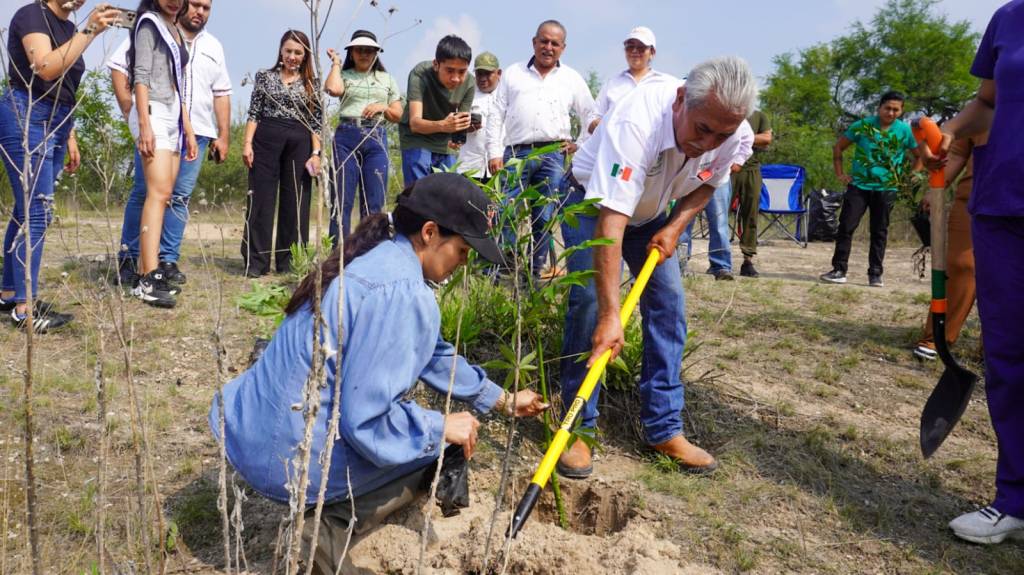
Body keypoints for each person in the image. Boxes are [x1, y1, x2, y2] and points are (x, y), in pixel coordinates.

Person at [209, 173, 548, 573]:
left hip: (251, 428)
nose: (464, 262)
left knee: (432, 435)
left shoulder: (379, 258)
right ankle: (323, 528)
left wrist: (503, 400)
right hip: (289, 462)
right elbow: (367, 420)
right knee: (435, 448)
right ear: (429, 232)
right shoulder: (402, 292)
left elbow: (433, 353)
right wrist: (439, 427)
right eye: (462, 250)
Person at [557, 57, 756, 478]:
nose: (709, 142)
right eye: (702, 130)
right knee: (590, 302)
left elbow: (709, 184)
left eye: (721, 134)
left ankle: (663, 427)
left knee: (669, 305)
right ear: (681, 100)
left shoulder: (730, 130)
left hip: (651, 214)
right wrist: (613, 317)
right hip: (591, 206)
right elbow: (611, 222)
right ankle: (578, 427)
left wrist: (676, 227)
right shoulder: (637, 121)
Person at [929, 0, 1024, 545]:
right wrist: (948, 133)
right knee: (1009, 358)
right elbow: (988, 101)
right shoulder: (1010, 18)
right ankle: (1015, 498)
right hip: (1003, 206)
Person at [0, 1, 119, 331]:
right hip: (26, 113)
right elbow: (46, 68)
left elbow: (65, 86)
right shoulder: (30, 15)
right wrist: (91, 29)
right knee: (37, 211)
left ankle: (9, 291)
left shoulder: (69, 28)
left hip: (59, 120)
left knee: (28, 211)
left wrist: (70, 136)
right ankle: (25, 308)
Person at [109, 0, 231, 288]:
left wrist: (211, 132)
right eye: (196, 5)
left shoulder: (207, 43)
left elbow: (212, 90)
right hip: (155, 118)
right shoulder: (152, 25)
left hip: (187, 125)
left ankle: (162, 263)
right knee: (149, 192)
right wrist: (136, 115)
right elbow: (126, 69)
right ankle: (134, 261)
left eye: (206, 7)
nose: (199, 11)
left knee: (175, 197)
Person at [486, 20, 597, 278]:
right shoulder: (513, 73)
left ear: (563, 48)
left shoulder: (571, 78)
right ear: (534, 42)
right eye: (543, 41)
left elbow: (590, 114)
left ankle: (535, 273)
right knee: (506, 212)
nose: (548, 47)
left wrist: (579, 145)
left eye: (554, 43)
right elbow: (495, 114)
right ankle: (506, 270)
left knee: (544, 216)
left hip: (553, 156)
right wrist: (493, 152)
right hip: (514, 154)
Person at [126, 0, 200, 308]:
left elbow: (178, 82)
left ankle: (147, 270)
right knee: (156, 193)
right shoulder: (148, 23)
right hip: (152, 110)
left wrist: (188, 127)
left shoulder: (176, 30)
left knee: (165, 193)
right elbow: (140, 75)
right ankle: (148, 276)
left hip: (173, 114)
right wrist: (144, 123)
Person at [241, 29, 323, 277]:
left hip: (300, 143)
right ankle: (256, 262)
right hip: (265, 140)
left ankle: (289, 262)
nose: (292, 56)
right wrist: (247, 143)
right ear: (281, 51)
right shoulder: (264, 77)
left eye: (298, 52)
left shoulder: (312, 84)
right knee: (261, 200)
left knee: (295, 202)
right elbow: (254, 112)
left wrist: (316, 153)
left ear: (305, 55)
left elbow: (316, 122)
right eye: (288, 51)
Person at [820, 91, 921, 287]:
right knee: (846, 227)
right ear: (879, 107)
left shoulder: (904, 131)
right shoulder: (862, 126)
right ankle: (839, 270)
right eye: (887, 108)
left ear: (901, 111)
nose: (891, 113)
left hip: (887, 187)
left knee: (879, 230)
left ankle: (875, 273)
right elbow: (839, 147)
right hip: (859, 186)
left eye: (895, 110)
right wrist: (840, 173)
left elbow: (919, 156)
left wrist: (913, 175)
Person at [324, 29, 402, 241]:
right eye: (359, 50)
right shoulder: (344, 75)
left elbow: (398, 114)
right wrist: (336, 64)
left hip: (376, 137)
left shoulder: (387, 79)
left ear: (376, 53)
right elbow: (332, 89)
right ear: (352, 52)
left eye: (369, 50)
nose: (364, 54)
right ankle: (338, 255)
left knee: (373, 201)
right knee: (342, 199)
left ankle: (368, 252)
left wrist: (382, 107)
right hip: (346, 137)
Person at [912, 134, 984, 361]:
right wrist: (937, 188)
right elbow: (958, 152)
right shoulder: (988, 104)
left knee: (1011, 278)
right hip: (976, 199)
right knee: (960, 266)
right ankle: (938, 337)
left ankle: (1000, 349)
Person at [678, 120, 754, 280]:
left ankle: (721, 266)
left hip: (718, 175)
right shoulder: (696, 108)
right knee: (682, 221)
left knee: (719, 222)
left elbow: (747, 137)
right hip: (691, 174)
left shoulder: (732, 112)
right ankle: (678, 264)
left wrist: (738, 161)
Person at [398, 35, 474, 187]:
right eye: (450, 71)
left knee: (447, 195)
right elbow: (415, 123)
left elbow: (460, 124)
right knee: (419, 193)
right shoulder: (420, 74)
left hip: (444, 143)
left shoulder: (470, 83)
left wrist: (458, 136)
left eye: (461, 72)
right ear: (436, 64)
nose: (456, 78)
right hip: (416, 138)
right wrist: (444, 126)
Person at [587, 26, 667, 134]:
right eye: (630, 47)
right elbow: (593, 118)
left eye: (641, 47)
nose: (634, 51)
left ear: (652, 52)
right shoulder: (612, 84)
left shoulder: (663, 85)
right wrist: (595, 123)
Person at [732, 109, 772, 277]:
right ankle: (718, 261)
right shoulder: (728, 111)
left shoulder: (759, 115)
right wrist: (753, 139)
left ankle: (747, 260)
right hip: (729, 168)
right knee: (717, 214)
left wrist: (739, 137)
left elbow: (767, 139)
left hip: (752, 170)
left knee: (751, 215)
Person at [457, 52, 502, 181]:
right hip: (470, 167)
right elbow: (452, 130)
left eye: (487, 73)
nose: (483, 78)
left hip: (500, 165)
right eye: (479, 73)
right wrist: (464, 127)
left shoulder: (507, 96)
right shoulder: (465, 94)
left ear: (499, 73)